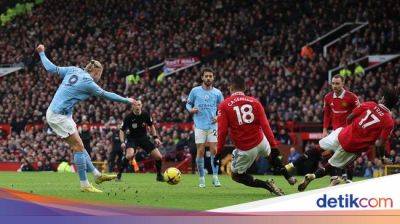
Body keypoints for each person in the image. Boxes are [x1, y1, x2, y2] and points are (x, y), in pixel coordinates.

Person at [36, 44, 135, 193]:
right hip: (58, 115)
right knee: (78, 148)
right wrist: (127, 100)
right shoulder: (89, 82)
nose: (99, 78)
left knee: (81, 146)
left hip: (62, 114)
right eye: (100, 74)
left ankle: (96, 175)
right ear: (96, 72)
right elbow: (107, 95)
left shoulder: (73, 69)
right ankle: (85, 185)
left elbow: (51, 68)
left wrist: (42, 53)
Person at [298, 87, 398, 191]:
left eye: (382, 97)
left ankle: (296, 165)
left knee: (319, 147)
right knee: (332, 166)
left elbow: (349, 118)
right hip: (352, 147)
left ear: (384, 100)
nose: (381, 98)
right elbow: (381, 143)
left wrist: (351, 130)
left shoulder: (370, 104)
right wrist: (382, 157)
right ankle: (312, 176)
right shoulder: (389, 121)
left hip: (342, 133)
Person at [215, 75, 294, 196]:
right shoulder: (255, 102)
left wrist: (219, 151)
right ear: (245, 88)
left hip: (246, 148)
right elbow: (266, 125)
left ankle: (267, 185)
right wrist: (274, 146)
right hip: (261, 140)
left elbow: (222, 131)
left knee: (236, 176)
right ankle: (289, 178)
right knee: (272, 157)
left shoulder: (224, 105)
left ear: (230, 87)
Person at [186, 68, 224, 188]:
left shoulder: (217, 93)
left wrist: (218, 117)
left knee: (214, 151)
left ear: (213, 78)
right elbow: (188, 103)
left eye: (210, 76)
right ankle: (202, 178)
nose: (208, 78)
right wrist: (190, 110)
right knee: (201, 151)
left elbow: (222, 108)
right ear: (202, 77)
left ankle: (215, 177)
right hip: (199, 125)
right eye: (206, 76)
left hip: (213, 125)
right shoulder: (195, 91)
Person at [323, 75, 360, 184]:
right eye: (333, 83)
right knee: (332, 153)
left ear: (343, 83)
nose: (334, 86)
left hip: (349, 130)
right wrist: (325, 129)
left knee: (348, 154)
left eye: (337, 83)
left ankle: (349, 179)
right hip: (335, 131)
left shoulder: (352, 97)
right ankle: (335, 177)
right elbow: (327, 114)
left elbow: (359, 112)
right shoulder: (328, 97)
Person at [117, 100, 164, 181]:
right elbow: (121, 130)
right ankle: (119, 175)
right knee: (129, 155)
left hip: (143, 138)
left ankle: (159, 176)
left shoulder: (145, 114)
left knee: (159, 157)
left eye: (139, 105)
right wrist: (122, 142)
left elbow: (151, 126)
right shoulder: (128, 117)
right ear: (132, 107)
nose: (137, 106)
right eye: (135, 105)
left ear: (141, 105)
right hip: (132, 139)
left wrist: (155, 137)